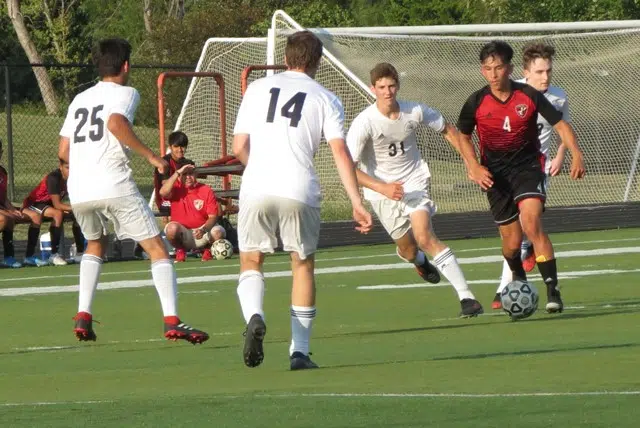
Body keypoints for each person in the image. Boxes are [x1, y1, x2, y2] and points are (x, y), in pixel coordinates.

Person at [232, 30, 372, 370]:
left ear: (286, 57)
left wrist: (262, 170)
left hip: (256, 186)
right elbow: (339, 150)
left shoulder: (256, 88)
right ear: (318, 63)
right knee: (302, 264)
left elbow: (238, 147)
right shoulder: (325, 97)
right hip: (299, 188)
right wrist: (356, 200)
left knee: (251, 261)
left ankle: (254, 315)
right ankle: (300, 352)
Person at [58, 38, 209, 344]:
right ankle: (172, 321)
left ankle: (83, 316)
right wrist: (152, 156)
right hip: (113, 183)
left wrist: (75, 174)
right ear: (125, 65)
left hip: (80, 189)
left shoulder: (79, 99)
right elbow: (115, 122)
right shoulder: (127, 93)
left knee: (95, 245)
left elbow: (63, 150)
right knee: (158, 250)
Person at [346, 62, 484, 317]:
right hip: (382, 192)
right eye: (381, 87)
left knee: (424, 236)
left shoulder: (415, 110)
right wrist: (383, 188)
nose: (387, 92)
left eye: (391, 85)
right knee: (409, 249)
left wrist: (471, 163)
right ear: (372, 88)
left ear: (398, 85)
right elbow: (349, 168)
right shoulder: (364, 122)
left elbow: (449, 130)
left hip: (414, 181)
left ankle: (467, 297)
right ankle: (419, 262)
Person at [457, 41, 585, 314]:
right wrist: (473, 166)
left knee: (531, 221)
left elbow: (561, 124)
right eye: (488, 69)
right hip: (495, 176)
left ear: (510, 69)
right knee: (512, 242)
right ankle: (519, 277)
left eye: (499, 67)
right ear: (483, 71)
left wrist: (575, 153)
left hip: (528, 168)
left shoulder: (528, 95)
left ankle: (553, 290)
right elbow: (463, 136)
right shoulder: (476, 101)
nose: (494, 74)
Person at [492, 43, 573, 310]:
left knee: (529, 223)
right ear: (525, 72)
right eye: (539, 72)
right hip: (505, 170)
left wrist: (562, 154)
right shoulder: (509, 92)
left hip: (537, 167)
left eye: (548, 71)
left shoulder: (559, 97)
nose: (545, 77)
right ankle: (520, 262)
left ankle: (516, 287)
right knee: (512, 235)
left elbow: (564, 129)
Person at [133, 131, 192, 260]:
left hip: (182, 197)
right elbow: (166, 188)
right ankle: (150, 246)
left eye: (183, 146)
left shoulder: (188, 162)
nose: (180, 150)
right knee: (170, 217)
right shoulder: (164, 163)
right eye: (177, 146)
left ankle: (191, 245)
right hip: (166, 198)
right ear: (170, 147)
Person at [21, 159, 87, 266]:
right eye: (67, 168)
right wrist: (77, 207)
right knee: (58, 213)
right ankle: (52, 255)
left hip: (50, 205)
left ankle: (79, 253)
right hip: (35, 203)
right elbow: (57, 205)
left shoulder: (73, 178)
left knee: (77, 214)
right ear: (60, 167)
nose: (70, 171)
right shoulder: (54, 178)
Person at [159, 159, 226, 262]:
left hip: (203, 232)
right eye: (185, 174)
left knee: (218, 232)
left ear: (196, 174)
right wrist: (177, 172)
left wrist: (203, 230)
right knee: (171, 229)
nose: (188, 177)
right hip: (184, 235)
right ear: (180, 175)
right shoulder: (175, 188)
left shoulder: (206, 189)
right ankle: (180, 250)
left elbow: (213, 217)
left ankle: (207, 249)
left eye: (191, 174)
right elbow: (162, 192)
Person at [0, 138, 24, 268]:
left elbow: (3, 198)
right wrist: (5, 211)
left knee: (11, 218)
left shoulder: (2, 172)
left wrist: (12, 209)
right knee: (4, 219)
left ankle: (9, 257)